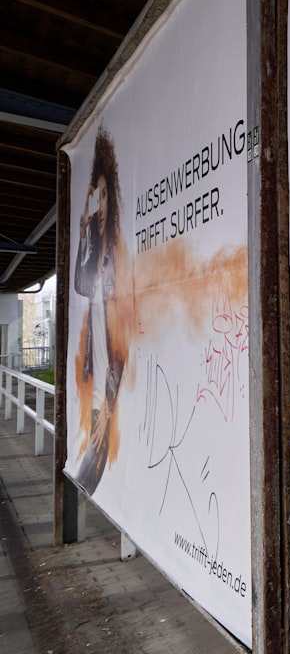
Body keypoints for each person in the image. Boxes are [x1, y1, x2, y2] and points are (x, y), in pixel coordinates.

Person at [73, 128, 128, 494]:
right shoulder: (100, 261)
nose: (102, 205)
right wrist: (83, 232)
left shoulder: (119, 263)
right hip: (97, 398)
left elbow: (120, 351)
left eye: (107, 195)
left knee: (88, 478)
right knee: (84, 478)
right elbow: (79, 284)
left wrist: (106, 411)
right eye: (100, 196)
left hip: (107, 400)